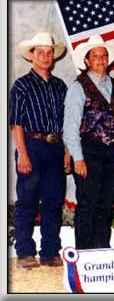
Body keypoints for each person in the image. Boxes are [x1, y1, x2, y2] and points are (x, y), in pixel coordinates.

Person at [63, 35, 114, 250]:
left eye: (104, 55)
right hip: (88, 151)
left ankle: (101, 252)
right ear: (86, 61)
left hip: (113, 152)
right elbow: (70, 126)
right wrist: (78, 158)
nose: (101, 59)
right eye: (96, 56)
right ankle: (84, 254)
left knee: (105, 204)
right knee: (87, 205)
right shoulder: (78, 87)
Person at [9, 32, 70, 269]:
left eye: (49, 52)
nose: (45, 56)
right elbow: (16, 123)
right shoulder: (21, 85)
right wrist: (22, 153)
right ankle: (25, 251)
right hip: (31, 146)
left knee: (53, 201)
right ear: (32, 56)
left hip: (55, 146)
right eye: (40, 52)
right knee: (27, 200)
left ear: (53, 56)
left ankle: (50, 252)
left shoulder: (59, 86)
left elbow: (66, 122)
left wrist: (66, 151)